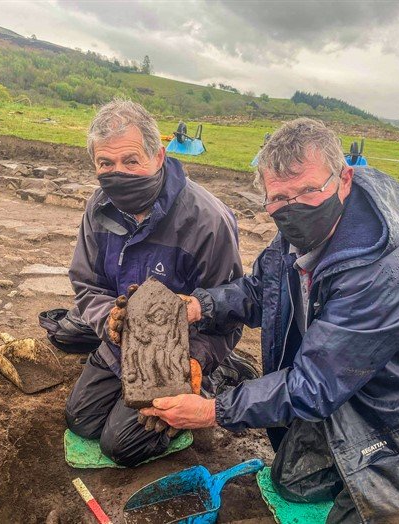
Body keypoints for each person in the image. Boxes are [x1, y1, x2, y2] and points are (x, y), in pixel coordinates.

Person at [141, 118, 399, 522]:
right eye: (279, 198)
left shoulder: (387, 267)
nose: (293, 207)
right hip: (350, 394)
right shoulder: (294, 241)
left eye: (309, 191)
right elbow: (257, 292)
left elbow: (313, 385)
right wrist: (195, 306)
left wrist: (213, 410)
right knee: (292, 481)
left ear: (344, 179)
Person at [65, 99, 256, 467]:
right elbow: (86, 282)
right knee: (81, 420)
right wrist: (110, 320)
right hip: (121, 346)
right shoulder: (98, 207)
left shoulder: (207, 220)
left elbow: (229, 312)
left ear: (158, 156)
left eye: (130, 160)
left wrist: (195, 360)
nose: (117, 172)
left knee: (119, 445)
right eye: (106, 163)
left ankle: (217, 375)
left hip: (181, 352)